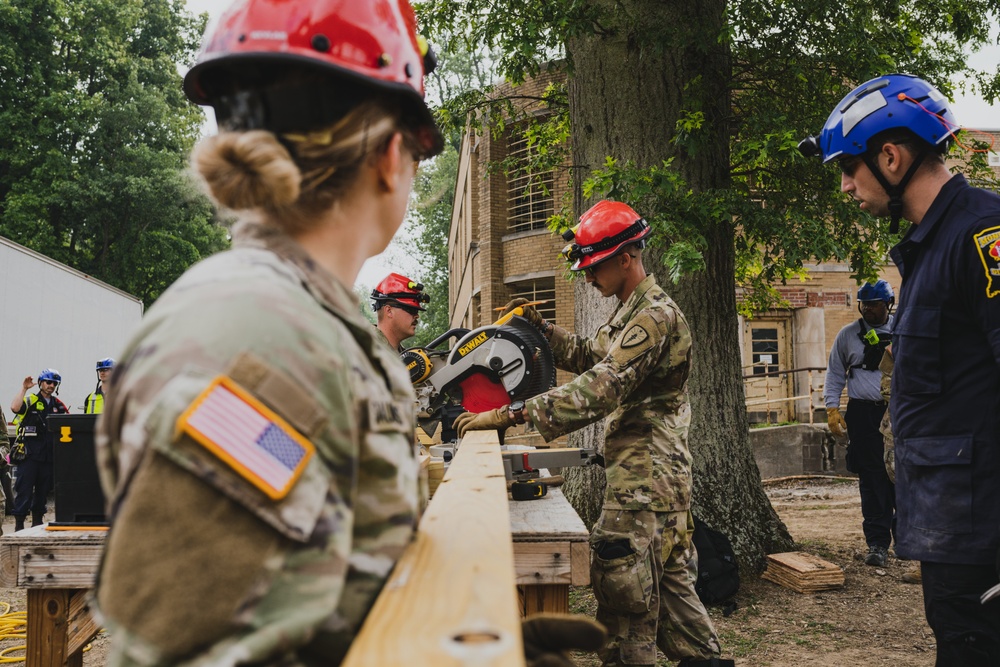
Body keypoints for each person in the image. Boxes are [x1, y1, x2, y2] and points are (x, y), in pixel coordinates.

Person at [90, 1, 603, 665]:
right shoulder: (257, 353)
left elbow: (303, 552)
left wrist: (426, 636)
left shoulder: (288, 329)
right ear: (393, 156)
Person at [455, 200, 734, 667]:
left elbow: (601, 388)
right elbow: (590, 356)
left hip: (643, 486)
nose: (587, 278)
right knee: (676, 606)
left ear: (626, 257)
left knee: (626, 614)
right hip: (655, 485)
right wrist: (541, 327)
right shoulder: (632, 311)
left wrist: (510, 414)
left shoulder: (653, 317)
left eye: (594, 267)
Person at [801, 73, 1000, 663]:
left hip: (984, 533)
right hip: (954, 529)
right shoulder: (928, 247)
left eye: (848, 168)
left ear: (890, 156)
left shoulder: (981, 235)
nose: (844, 186)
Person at [823, 280, 896, 567]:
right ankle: (877, 544)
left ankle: (907, 541)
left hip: (898, 412)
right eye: (865, 305)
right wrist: (832, 408)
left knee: (903, 477)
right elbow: (835, 373)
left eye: (875, 305)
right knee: (872, 478)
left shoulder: (904, 329)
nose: (869, 310)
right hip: (863, 415)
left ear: (888, 304)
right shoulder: (848, 335)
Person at [10, 369, 69, 531]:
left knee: (42, 493)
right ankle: (19, 526)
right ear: (41, 383)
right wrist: (24, 388)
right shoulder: (31, 400)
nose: (51, 386)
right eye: (48, 382)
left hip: (48, 458)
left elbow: (68, 425)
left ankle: (37, 523)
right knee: (24, 491)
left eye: (54, 383)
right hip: (29, 456)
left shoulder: (58, 405)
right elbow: (15, 408)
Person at [371, 272, 429, 351]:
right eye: (411, 309)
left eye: (417, 311)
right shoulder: (365, 351)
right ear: (389, 311)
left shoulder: (403, 357)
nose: (417, 316)